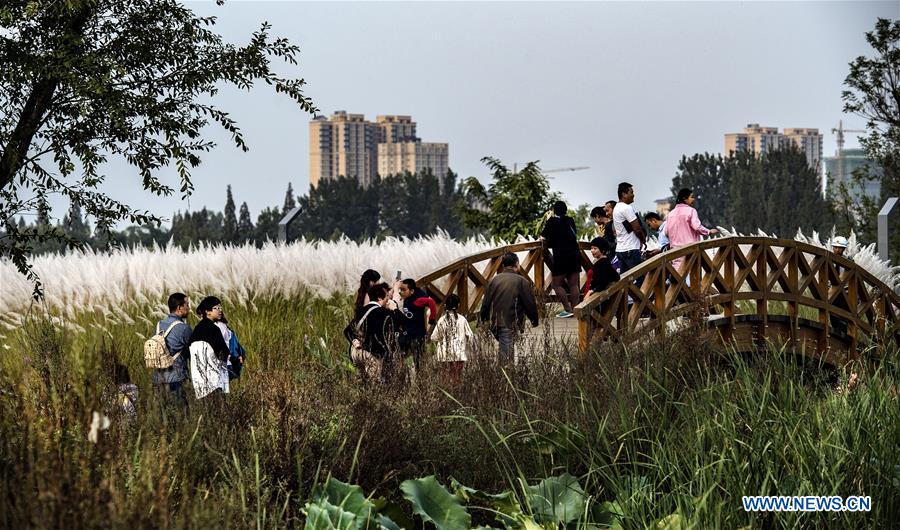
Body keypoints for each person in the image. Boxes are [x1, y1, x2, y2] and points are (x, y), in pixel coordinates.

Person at [479, 252, 539, 366]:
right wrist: (534, 320)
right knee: (506, 356)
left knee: (505, 347)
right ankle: (505, 379)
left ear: (503, 266)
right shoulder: (522, 281)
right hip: (510, 321)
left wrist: (484, 319)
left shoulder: (494, 280)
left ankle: (504, 377)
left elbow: (486, 303)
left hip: (496, 322)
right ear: (517, 264)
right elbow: (530, 304)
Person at [346, 282, 402, 383]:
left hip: (355, 352)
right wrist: (395, 309)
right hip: (371, 354)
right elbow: (398, 325)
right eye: (386, 297)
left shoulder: (361, 310)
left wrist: (354, 340)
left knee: (362, 382)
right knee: (375, 385)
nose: (387, 300)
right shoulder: (383, 312)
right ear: (380, 298)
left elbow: (347, 330)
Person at [540, 201, 582, 318]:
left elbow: (543, 236)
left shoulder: (552, 221)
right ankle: (575, 310)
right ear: (565, 210)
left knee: (556, 285)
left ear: (554, 210)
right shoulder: (570, 220)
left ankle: (568, 309)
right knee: (574, 285)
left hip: (561, 256)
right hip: (574, 254)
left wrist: (549, 219)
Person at [662, 188, 719, 273]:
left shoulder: (670, 214)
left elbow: (666, 232)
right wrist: (708, 232)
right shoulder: (691, 211)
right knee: (694, 278)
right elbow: (697, 226)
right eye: (691, 197)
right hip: (691, 251)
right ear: (685, 199)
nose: (693, 199)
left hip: (676, 252)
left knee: (679, 278)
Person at [152, 292, 192, 403]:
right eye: (187, 305)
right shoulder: (184, 328)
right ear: (179, 308)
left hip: (158, 378)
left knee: (163, 415)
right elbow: (192, 351)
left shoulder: (158, 325)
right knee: (181, 414)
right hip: (176, 378)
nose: (189, 308)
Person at [189, 296, 231, 400]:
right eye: (217, 308)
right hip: (214, 379)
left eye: (221, 308)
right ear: (208, 311)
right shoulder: (214, 329)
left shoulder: (197, 328)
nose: (220, 311)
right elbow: (223, 352)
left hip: (199, 379)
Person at [395, 278, 437, 370]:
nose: (401, 292)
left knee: (419, 361)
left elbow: (431, 302)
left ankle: (421, 379)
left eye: (404, 290)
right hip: (408, 333)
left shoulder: (417, 301)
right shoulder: (407, 298)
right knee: (398, 353)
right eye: (400, 290)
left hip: (417, 335)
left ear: (412, 291)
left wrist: (432, 319)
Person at [430, 293, 472, 385]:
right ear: (458, 305)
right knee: (456, 378)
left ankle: (446, 395)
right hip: (458, 354)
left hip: (444, 354)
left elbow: (433, 337)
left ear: (445, 305)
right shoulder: (462, 320)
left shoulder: (442, 320)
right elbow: (470, 335)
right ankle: (456, 395)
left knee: (445, 379)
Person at [612, 182, 647, 277]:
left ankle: (627, 293)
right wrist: (643, 240)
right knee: (641, 278)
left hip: (621, 250)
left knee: (626, 282)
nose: (633, 195)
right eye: (631, 192)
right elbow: (637, 229)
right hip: (630, 250)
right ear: (624, 194)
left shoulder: (616, 208)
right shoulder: (627, 208)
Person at [215, 309, 247, 381]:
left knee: (220, 389)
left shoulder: (218, 326)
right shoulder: (224, 326)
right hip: (228, 364)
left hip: (223, 364)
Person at [829, 236, 852, 336]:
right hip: (832, 292)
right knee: (833, 318)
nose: (837, 250)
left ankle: (844, 339)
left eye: (840, 248)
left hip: (845, 293)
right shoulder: (828, 260)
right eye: (835, 247)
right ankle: (836, 336)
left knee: (843, 319)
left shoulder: (849, 262)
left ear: (844, 249)